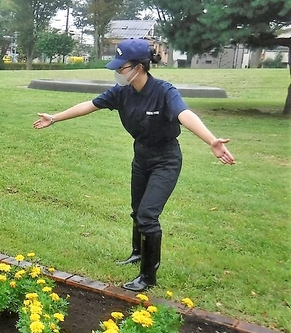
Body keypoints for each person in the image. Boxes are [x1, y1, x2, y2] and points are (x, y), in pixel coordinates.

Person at [33, 38, 235, 292]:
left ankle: (148, 277)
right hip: (141, 156)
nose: (118, 72)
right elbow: (89, 105)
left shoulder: (164, 91)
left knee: (148, 215)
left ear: (139, 67)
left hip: (166, 160)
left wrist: (211, 141)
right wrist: (54, 118)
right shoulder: (121, 92)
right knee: (137, 209)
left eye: (121, 67)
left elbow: (185, 114)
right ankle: (138, 253)